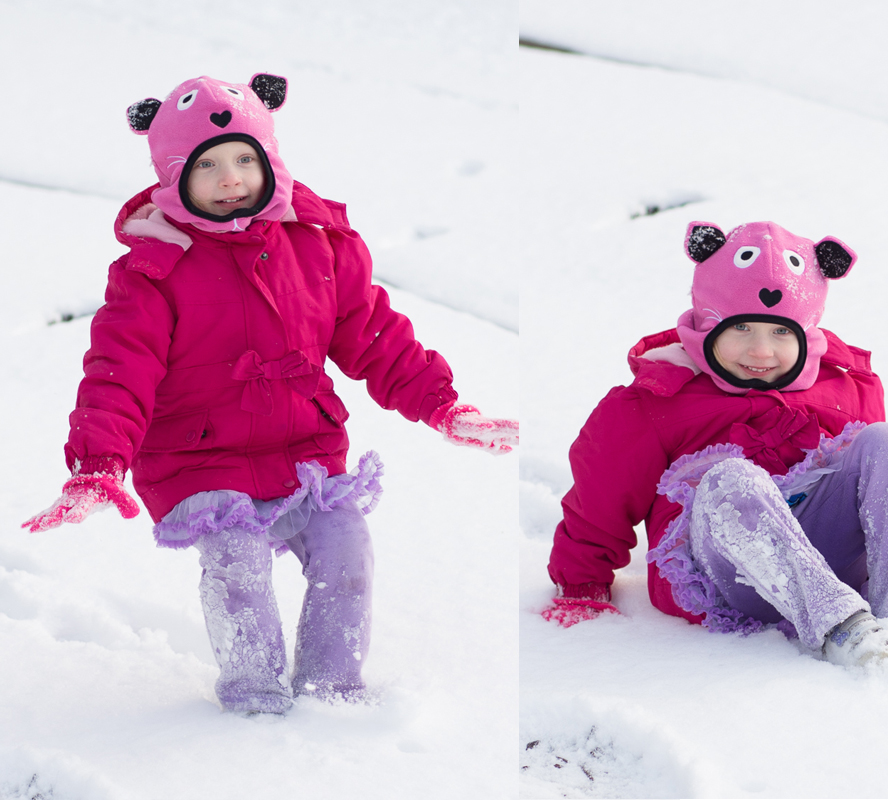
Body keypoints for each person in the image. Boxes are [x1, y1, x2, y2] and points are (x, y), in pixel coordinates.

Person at [22, 74, 518, 714]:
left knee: (346, 551)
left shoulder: (316, 243)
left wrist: (443, 405)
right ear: (174, 178)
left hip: (302, 450)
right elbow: (121, 368)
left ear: (269, 159)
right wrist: (98, 463)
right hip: (199, 460)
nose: (230, 177)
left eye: (243, 159)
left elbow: (372, 333)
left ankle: (331, 690)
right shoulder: (153, 270)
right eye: (207, 166)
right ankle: (254, 695)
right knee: (237, 565)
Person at [542, 220, 888, 667]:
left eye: (780, 333)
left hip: (827, 563)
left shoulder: (845, 387)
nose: (761, 352)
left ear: (807, 334)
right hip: (727, 576)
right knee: (731, 479)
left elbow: (882, 483)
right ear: (706, 324)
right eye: (742, 330)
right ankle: (841, 628)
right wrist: (580, 582)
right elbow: (601, 497)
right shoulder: (656, 402)